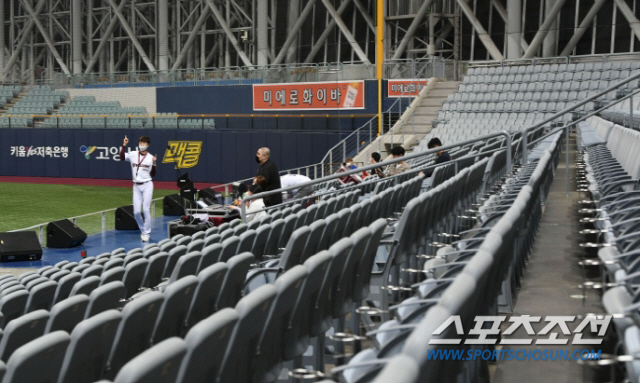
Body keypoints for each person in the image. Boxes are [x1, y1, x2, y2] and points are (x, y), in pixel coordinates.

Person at [120, 135, 157, 242]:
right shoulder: (133, 154)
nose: (142, 145)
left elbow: (153, 174)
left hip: (147, 185)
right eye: (141, 143)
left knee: (145, 210)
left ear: (148, 145)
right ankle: (143, 231)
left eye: (144, 143)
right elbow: (122, 157)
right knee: (136, 212)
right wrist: (124, 145)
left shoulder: (150, 158)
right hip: (136, 186)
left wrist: (154, 164)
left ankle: (147, 233)